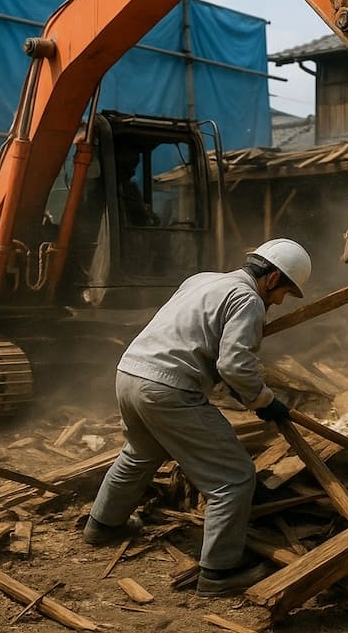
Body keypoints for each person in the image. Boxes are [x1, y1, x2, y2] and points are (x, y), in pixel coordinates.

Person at [84, 238, 311, 596]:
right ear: (272, 278)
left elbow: (199, 338)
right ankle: (218, 575)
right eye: (284, 292)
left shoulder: (202, 279)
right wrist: (263, 400)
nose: (280, 302)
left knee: (140, 453)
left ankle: (102, 526)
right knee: (233, 478)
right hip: (167, 388)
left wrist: (238, 384)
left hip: (130, 373)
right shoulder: (249, 299)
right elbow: (234, 363)